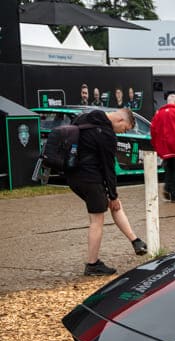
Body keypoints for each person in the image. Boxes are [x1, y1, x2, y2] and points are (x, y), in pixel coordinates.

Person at [68, 107, 147, 275]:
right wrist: (113, 194)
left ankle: (135, 240)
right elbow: (108, 168)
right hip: (90, 178)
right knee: (98, 220)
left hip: (73, 177)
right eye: (124, 128)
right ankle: (92, 264)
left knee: (112, 204)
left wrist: (112, 196)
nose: (121, 132)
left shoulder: (83, 117)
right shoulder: (106, 134)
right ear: (120, 120)